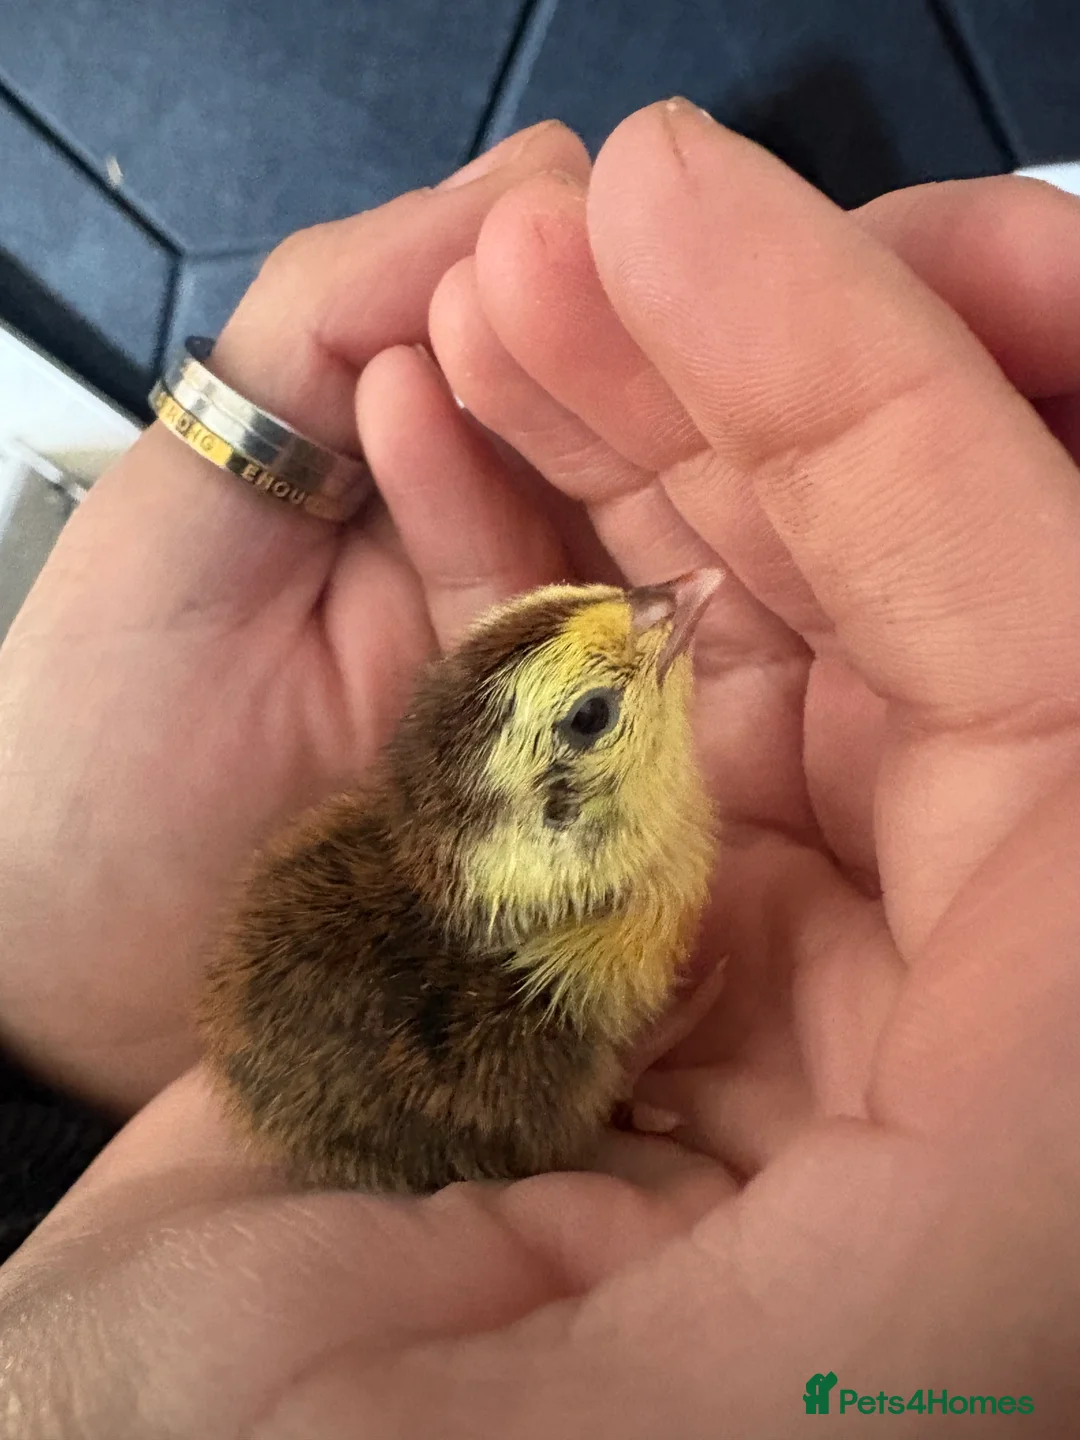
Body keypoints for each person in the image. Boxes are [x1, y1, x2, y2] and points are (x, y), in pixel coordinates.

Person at [1, 98, 1079, 1435]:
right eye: (587, 717)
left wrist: (47, 1038)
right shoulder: (569, 930)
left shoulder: (559, 855)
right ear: (560, 810)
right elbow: (483, 1075)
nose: (666, 604)